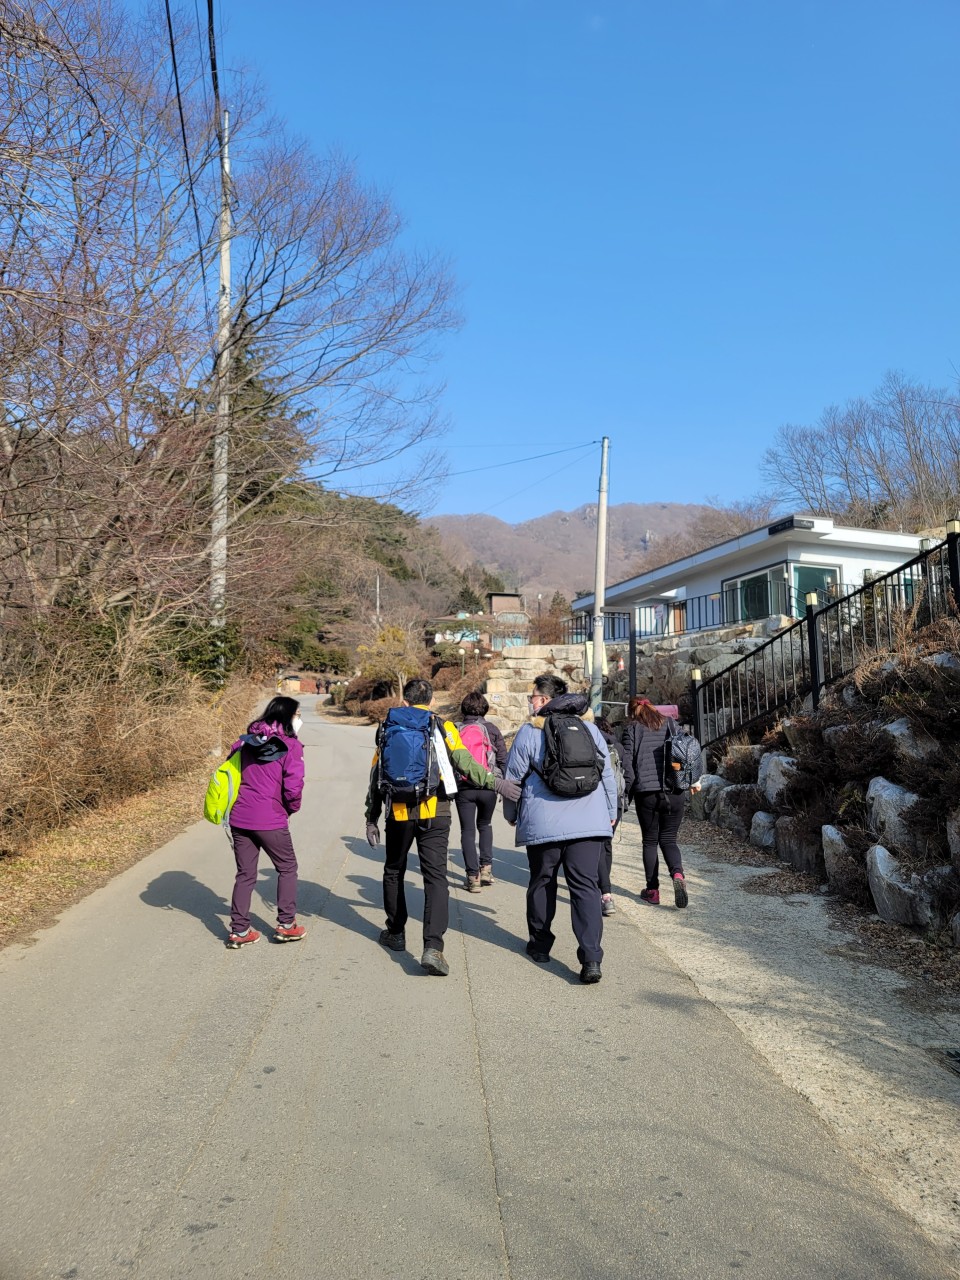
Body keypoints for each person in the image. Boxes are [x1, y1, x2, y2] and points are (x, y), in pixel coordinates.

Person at [364, 677, 520, 976]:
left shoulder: (386, 726)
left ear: (405, 700)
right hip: (436, 810)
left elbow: (376, 774)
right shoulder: (443, 726)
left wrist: (371, 816)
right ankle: (433, 947)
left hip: (398, 810)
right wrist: (495, 782)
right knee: (435, 876)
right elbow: (465, 763)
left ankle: (395, 933)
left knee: (393, 869)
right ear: (432, 701)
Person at [502, 674, 617, 984]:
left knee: (542, 881)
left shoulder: (528, 732)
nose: (530, 701)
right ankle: (591, 957)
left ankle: (540, 945)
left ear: (543, 700)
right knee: (586, 888)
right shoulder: (590, 729)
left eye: (533, 696)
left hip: (544, 824)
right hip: (590, 824)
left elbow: (512, 779)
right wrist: (610, 813)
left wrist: (512, 814)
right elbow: (607, 775)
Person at [226, 696, 306, 948]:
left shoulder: (244, 742)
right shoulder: (290, 745)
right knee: (287, 868)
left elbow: (230, 771)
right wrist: (290, 809)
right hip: (270, 818)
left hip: (239, 816)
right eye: (298, 713)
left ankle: (239, 931)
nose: (299, 718)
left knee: (245, 874)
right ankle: (286, 925)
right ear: (287, 716)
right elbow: (293, 787)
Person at [621, 697, 701, 908]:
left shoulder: (632, 729)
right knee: (669, 839)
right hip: (674, 791)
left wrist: (625, 794)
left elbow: (627, 763)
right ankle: (678, 875)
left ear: (632, 713)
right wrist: (692, 781)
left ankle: (653, 891)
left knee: (650, 841)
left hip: (646, 793)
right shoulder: (670, 724)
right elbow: (687, 754)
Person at [454, 691, 509, 891]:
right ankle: (486, 869)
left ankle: (472, 877)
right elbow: (503, 758)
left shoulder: (456, 729)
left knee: (467, 831)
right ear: (484, 708)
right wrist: (501, 783)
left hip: (464, 787)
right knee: (485, 825)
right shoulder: (492, 729)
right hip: (488, 785)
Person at [594, 716, 625, 916]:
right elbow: (628, 773)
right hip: (616, 803)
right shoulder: (618, 747)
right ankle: (605, 888)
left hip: (595, 804)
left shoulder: (589, 744)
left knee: (597, 848)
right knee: (607, 845)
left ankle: (604, 893)